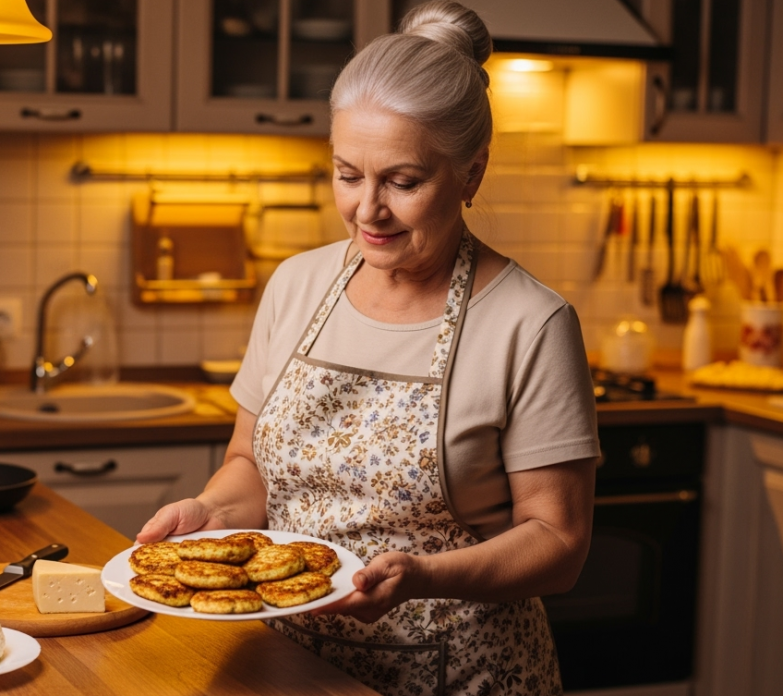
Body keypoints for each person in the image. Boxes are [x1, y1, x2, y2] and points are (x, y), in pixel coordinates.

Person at [137, 2, 599, 694]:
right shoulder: (296, 285)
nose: (368, 210)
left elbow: (559, 544)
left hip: (463, 675)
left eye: (402, 181)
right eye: (348, 175)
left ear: (471, 173)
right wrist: (213, 514)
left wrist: (423, 577)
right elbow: (251, 466)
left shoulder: (530, 323)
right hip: (289, 667)